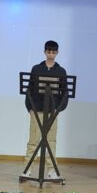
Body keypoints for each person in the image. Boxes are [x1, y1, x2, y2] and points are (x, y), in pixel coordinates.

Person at [24, 40, 68, 179]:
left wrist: (58, 109)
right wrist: (30, 108)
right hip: (37, 110)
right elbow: (29, 89)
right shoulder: (36, 69)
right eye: (48, 52)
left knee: (51, 141)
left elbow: (65, 93)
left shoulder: (61, 71)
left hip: (52, 111)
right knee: (33, 141)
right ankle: (27, 169)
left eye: (53, 52)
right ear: (44, 52)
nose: (51, 54)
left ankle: (52, 171)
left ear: (57, 53)